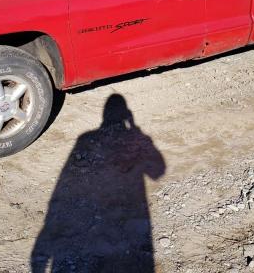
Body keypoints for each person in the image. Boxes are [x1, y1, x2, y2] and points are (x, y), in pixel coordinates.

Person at [31, 94, 166, 272]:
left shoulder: (85, 139)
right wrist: (136, 131)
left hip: (89, 228)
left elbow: (65, 180)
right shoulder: (128, 138)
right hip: (124, 228)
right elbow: (158, 171)